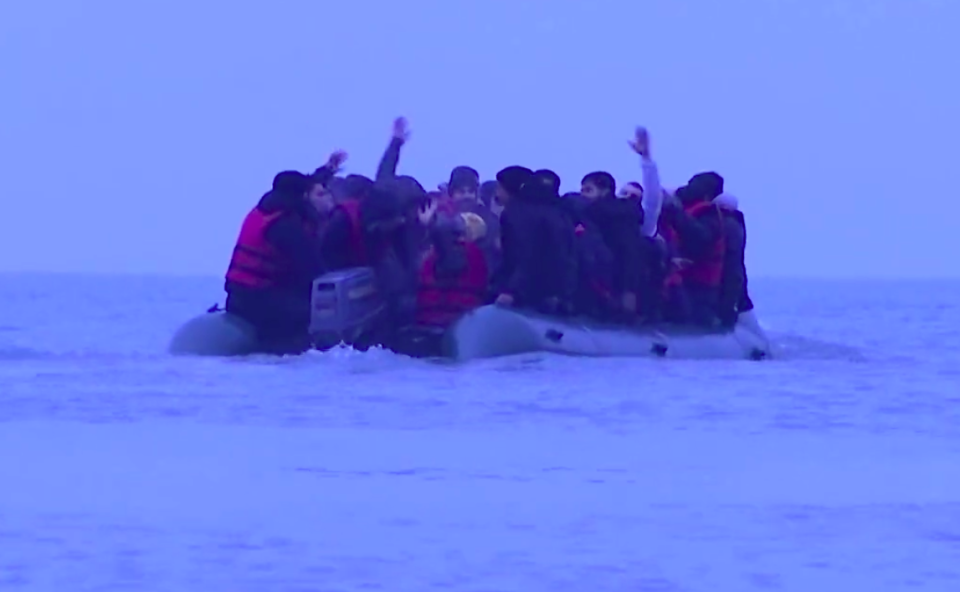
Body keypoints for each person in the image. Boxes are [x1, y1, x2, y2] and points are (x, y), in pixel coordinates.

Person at [224, 151, 346, 353]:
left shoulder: (265, 209)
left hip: (238, 294)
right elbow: (311, 271)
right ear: (303, 196)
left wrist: (328, 170)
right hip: (256, 301)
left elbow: (304, 183)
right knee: (311, 313)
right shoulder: (285, 226)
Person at [494, 169, 577, 313]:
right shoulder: (562, 213)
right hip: (558, 293)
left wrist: (511, 290)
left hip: (523, 293)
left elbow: (524, 255)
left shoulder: (518, 213)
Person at [660, 172, 726, 326]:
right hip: (678, 285)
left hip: (699, 289)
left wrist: (675, 213)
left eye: (693, 185)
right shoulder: (688, 212)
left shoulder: (710, 216)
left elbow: (701, 239)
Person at [580, 170, 646, 321]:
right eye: (582, 190)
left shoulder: (602, 216)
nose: (583, 195)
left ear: (604, 191)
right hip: (621, 276)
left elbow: (627, 251)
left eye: (588, 190)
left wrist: (628, 289)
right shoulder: (625, 215)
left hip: (610, 277)